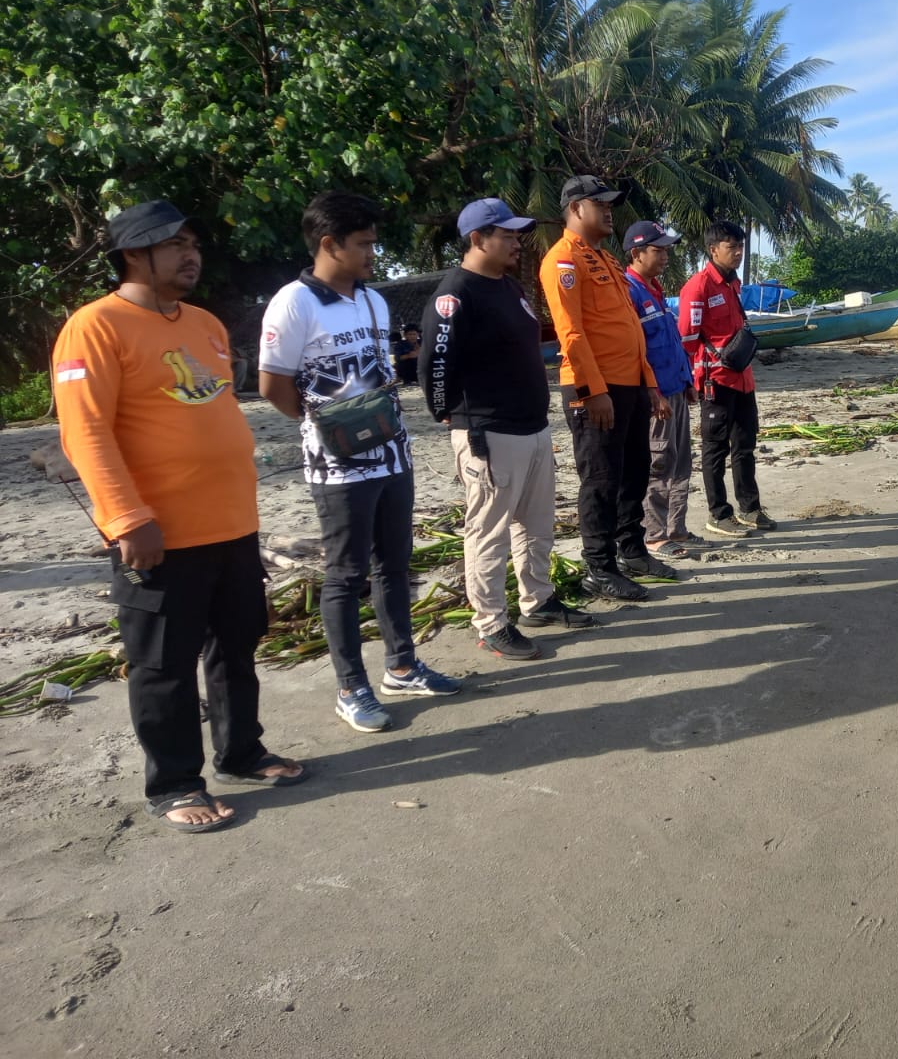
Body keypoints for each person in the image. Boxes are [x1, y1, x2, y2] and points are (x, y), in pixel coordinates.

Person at [53, 200, 306, 832]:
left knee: (237, 646)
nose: (191, 253)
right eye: (174, 244)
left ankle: (241, 752)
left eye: (193, 242)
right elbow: (85, 433)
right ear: (134, 255)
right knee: (164, 665)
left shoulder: (205, 324)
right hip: (158, 534)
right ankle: (173, 783)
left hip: (233, 524)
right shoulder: (95, 327)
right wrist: (126, 518)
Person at [259, 191, 461, 733]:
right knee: (345, 575)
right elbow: (273, 385)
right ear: (329, 244)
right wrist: (321, 424)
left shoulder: (371, 300)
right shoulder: (293, 303)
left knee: (394, 567)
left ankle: (401, 664)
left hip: (392, 454)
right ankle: (352, 688)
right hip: (339, 468)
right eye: (364, 243)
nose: (374, 252)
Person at [419, 197, 593, 660]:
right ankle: (491, 622)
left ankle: (538, 600)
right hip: (489, 432)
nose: (517, 242)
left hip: (531, 428)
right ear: (478, 238)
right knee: (488, 532)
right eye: (508, 234)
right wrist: (453, 414)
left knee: (536, 527)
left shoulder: (509, 287)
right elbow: (434, 364)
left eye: (517, 233)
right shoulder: (456, 293)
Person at [539, 175, 673, 601]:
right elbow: (571, 332)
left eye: (611, 203)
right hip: (595, 389)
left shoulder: (610, 261)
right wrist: (592, 391)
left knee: (634, 471)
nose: (610, 209)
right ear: (576, 209)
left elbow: (631, 328)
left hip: (629, 384)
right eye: (601, 203)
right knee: (600, 479)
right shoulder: (562, 260)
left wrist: (648, 382)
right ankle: (598, 566)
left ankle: (632, 550)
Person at [679, 220, 773, 538]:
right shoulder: (698, 287)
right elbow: (687, 339)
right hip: (715, 380)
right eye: (731, 246)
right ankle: (719, 513)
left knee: (745, 445)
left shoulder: (733, 284)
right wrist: (693, 379)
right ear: (713, 249)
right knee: (715, 449)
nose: (738, 252)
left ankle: (750, 508)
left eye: (741, 246)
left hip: (743, 378)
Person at [622, 220, 702, 559]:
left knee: (681, 461)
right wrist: (651, 392)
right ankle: (654, 534)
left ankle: (676, 527)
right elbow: (634, 350)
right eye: (659, 249)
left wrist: (687, 382)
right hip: (654, 396)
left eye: (667, 249)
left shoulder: (654, 290)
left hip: (676, 390)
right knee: (658, 462)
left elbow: (670, 343)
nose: (666, 255)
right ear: (637, 253)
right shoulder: (630, 291)